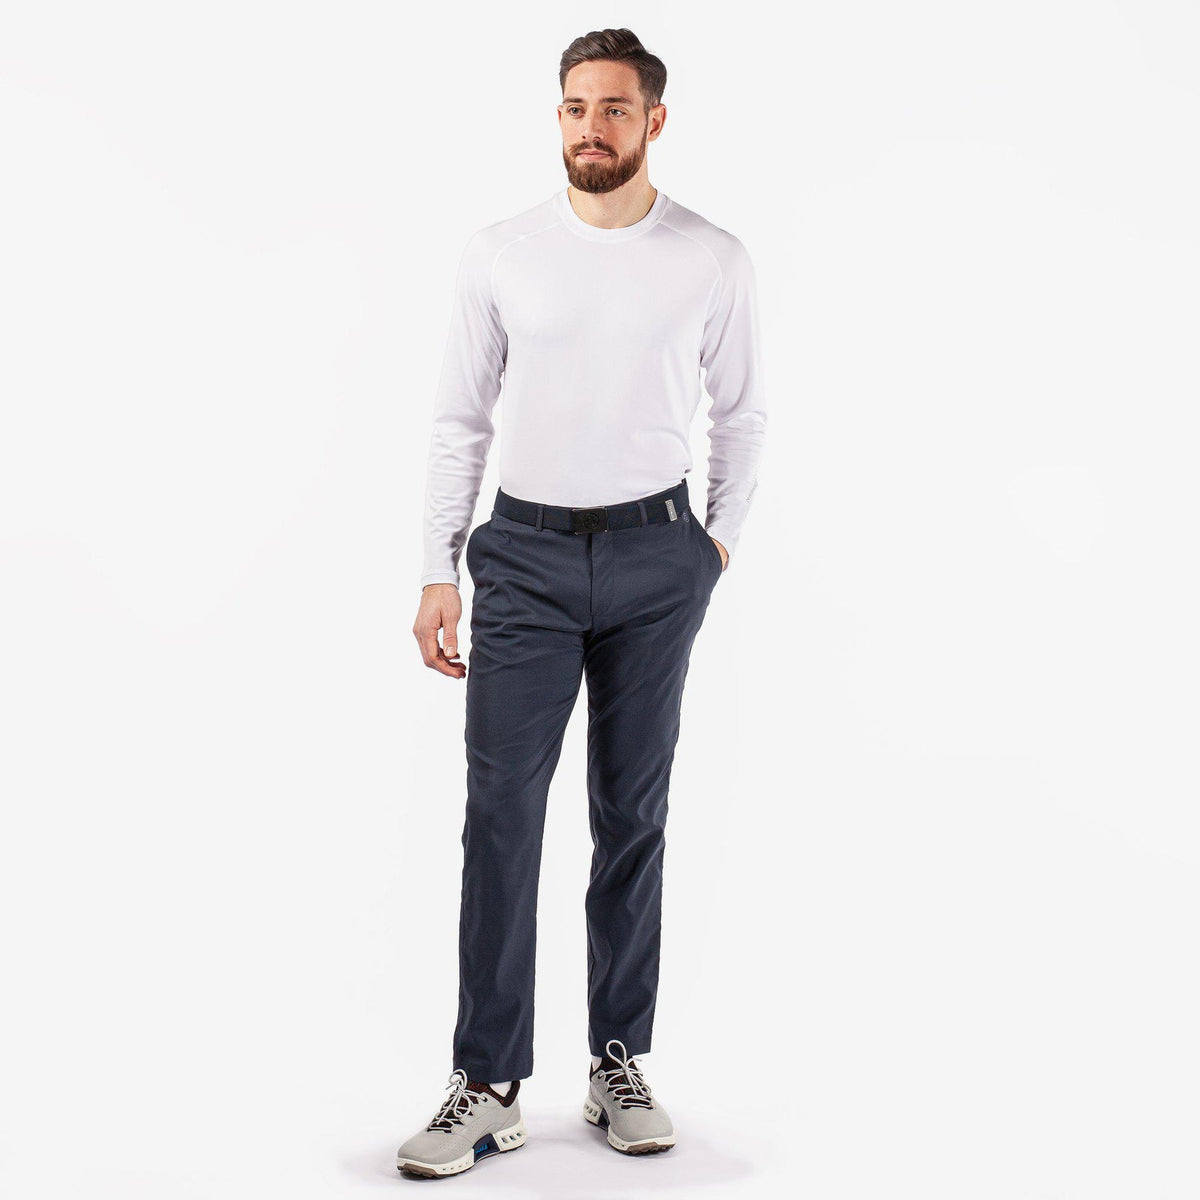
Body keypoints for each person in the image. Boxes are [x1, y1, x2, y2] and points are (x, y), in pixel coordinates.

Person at [397, 27, 768, 1179]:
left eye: (612, 109)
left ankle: (618, 1061)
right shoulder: (502, 253)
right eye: (574, 108)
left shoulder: (710, 258)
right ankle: (489, 1083)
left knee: (631, 810)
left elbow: (744, 414)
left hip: (659, 560)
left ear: (654, 120)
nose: (590, 129)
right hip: (526, 558)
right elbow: (459, 418)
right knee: (501, 814)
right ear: (556, 117)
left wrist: (712, 548)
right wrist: (438, 567)